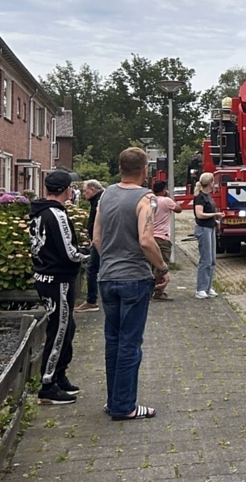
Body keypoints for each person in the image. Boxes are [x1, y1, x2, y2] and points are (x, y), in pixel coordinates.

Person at [95, 147, 171, 420]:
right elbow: (146, 240)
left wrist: (110, 261)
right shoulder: (146, 198)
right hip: (134, 279)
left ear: (119, 168)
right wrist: (162, 268)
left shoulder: (105, 195)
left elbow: (96, 239)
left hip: (107, 277)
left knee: (113, 342)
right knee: (130, 343)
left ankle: (113, 400)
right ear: (144, 170)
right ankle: (125, 406)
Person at [31, 170, 91, 405]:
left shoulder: (39, 212)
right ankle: (48, 384)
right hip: (58, 280)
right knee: (59, 330)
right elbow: (69, 252)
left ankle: (59, 375)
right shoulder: (57, 214)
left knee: (67, 327)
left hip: (44, 277)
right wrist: (88, 253)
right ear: (66, 190)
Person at [74, 179, 105, 313]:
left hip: (99, 240)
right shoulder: (99, 199)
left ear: (92, 190)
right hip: (97, 239)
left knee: (92, 270)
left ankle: (92, 301)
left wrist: (95, 238)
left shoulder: (99, 201)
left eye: (85, 191)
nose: (83, 193)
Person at [193, 172, 224, 299]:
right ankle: (200, 288)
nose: (214, 183)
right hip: (203, 229)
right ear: (209, 182)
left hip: (210, 228)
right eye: (213, 181)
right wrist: (215, 215)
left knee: (212, 260)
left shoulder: (208, 196)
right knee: (205, 259)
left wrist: (215, 221)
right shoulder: (200, 197)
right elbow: (199, 214)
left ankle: (208, 286)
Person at [150, 180, 182, 301]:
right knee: (161, 266)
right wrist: (170, 197)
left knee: (150, 265)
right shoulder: (166, 201)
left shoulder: (150, 201)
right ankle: (158, 292)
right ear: (164, 190)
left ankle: (148, 291)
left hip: (150, 237)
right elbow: (178, 209)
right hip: (162, 238)